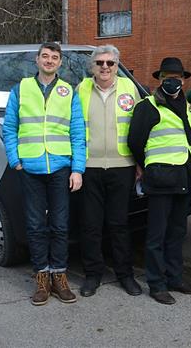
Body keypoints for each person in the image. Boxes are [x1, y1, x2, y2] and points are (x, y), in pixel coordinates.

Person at [2, 41, 86, 306]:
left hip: (60, 168)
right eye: (45, 56)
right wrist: (15, 159)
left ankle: (59, 276)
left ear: (60, 63)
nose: (50, 61)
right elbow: (9, 127)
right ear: (37, 60)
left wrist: (78, 169)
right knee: (36, 226)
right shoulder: (21, 89)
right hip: (30, 168)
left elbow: (77, 132)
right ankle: (41, 277)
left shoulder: (68, 91)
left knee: (60, 226)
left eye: (55, 57)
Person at [127, 57, 191, 305]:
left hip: (183, 177)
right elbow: (135, 142)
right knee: (156, 235)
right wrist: (145, 165)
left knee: (177, 233)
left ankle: (175, 278)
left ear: (183, 80)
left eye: (177, 77)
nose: (173, 81)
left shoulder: (186, 104)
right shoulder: (148, 106)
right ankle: (157, 284)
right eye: (168, 77)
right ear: (159, 79)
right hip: (160, 179)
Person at [76, 45, 142, 298]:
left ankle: (125, 275)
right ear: (93, 66)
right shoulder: (81, 89)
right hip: (89, 167)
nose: (105, 67)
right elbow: (73, 128)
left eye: (110, 63)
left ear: (117, 65)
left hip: (122, 166)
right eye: (100, 62)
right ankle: (93, 274)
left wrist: (139, 162)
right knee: (91, 225)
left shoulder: (129, 88)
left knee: (119, 224)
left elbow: (137, 128)